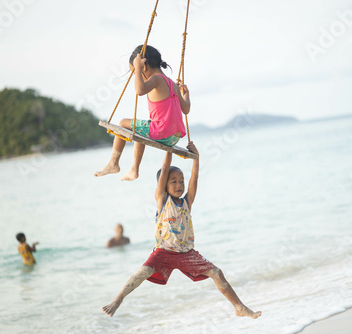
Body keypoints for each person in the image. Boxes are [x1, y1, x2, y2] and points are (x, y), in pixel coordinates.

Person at [102, 143, 261, 319]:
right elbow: (164, 170)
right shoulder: (162, 200)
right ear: (163, 186)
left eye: (181, 181)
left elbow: (194, 178)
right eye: (174, 182)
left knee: (216, 273)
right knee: (142, 272)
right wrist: (168, 150)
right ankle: (118, 299)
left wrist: (196, 158)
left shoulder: (187, 202)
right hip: (163, 252)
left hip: (187, 253)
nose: (179, 185)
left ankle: (239, 307)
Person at [94, 44, 190, 181]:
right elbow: (186, 109)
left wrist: (137, 67)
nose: (137, 75)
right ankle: (133, 169)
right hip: (174, 136)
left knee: (123, 123)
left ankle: (113, 163)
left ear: (144, 67)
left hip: (162, 132)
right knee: (140, 128)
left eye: (135, 73)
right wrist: (186, 94)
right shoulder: (173, 84)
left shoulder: (156, 79)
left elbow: (140, 90)